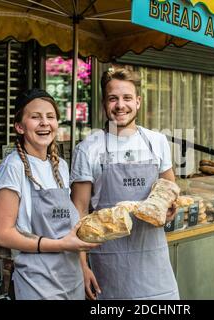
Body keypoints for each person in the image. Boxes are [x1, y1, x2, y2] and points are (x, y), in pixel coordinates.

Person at [71, 67, 179, 300]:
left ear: (138, 102)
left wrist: (171, 210)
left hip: (154, 261)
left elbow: (171, 193)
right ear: (104, 103)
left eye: (127, 98)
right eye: (113, 98)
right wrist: (81, 266)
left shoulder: (156, 142)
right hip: (108, 263)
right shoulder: (88, 149)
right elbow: (78, 212)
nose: (121, 105)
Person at [0, 88, 99, 300]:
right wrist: (60, 245)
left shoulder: (60, 166)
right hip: (37, 284)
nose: (44, 122)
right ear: (20, 127)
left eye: (50, 117)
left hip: (72, 280)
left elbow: (69, 228)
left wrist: (83, 266)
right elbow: (2, 234)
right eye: (35, 117)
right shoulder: (12, 167)